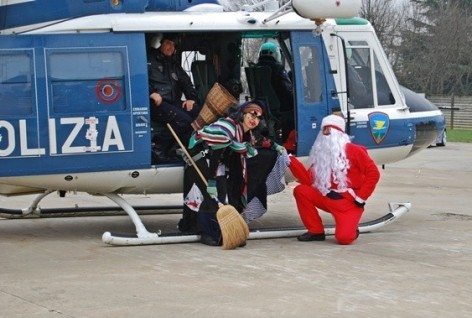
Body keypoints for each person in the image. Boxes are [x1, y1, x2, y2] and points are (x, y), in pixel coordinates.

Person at [179, 100, 287, 246]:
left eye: (258, 118)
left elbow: (259, 141)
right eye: (252, 115)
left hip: (218, 161)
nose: (254, 120)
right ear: (243, 114)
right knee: (213, 195)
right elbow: (215, 155)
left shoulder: (246, 131)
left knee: (224, 193)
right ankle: (207, 233)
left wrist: (275, 146)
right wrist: (211, 182)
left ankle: (222, 232)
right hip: (202, 158)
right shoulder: (227, 128)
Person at [290, 114, 380, 245]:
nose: (325, 133)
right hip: (326, 198)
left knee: (344, 239)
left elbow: (373, 173)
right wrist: (290, 160)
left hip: (348, 204)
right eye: (324, 130)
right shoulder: (321, 156)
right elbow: (309, 180)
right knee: (301, 191)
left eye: (329, 130)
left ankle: (351, 229)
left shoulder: (355, 151)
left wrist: (361, 198)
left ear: (339, 133)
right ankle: (316, 231)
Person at [147, 33, 199, 161]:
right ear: (161, 43)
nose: (171, 47)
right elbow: (137, 78)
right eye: (168, 43)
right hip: (155, 104)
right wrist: (151, 92)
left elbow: (186, 82)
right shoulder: (149, 59)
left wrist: (191, 98)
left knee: (197, 111)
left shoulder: (173, 64)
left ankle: (179, 148)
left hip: (173, 103)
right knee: (183, 121)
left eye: (174, 45)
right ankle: (158, 148)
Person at [256, 41, 294, 140]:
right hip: (280, 107)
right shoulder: (278, 68)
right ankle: (287, 140)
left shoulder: (255, 68)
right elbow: (288, 89)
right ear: (276, 54)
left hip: (262, 105)